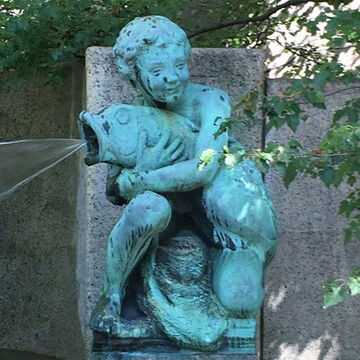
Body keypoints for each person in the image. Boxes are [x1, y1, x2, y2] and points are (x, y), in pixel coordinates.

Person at [90, 15, 277, 337]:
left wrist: (145, 178)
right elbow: (116, 191)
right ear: (135, 76)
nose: (172, 78)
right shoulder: (130, 117)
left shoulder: (211, 101)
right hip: (164, 220)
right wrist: (129, 184)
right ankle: (111, 299)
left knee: (242, 302)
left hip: (222, 225)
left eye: (179, 65)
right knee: (147, 207)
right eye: (158, 72)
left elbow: (205, 168)